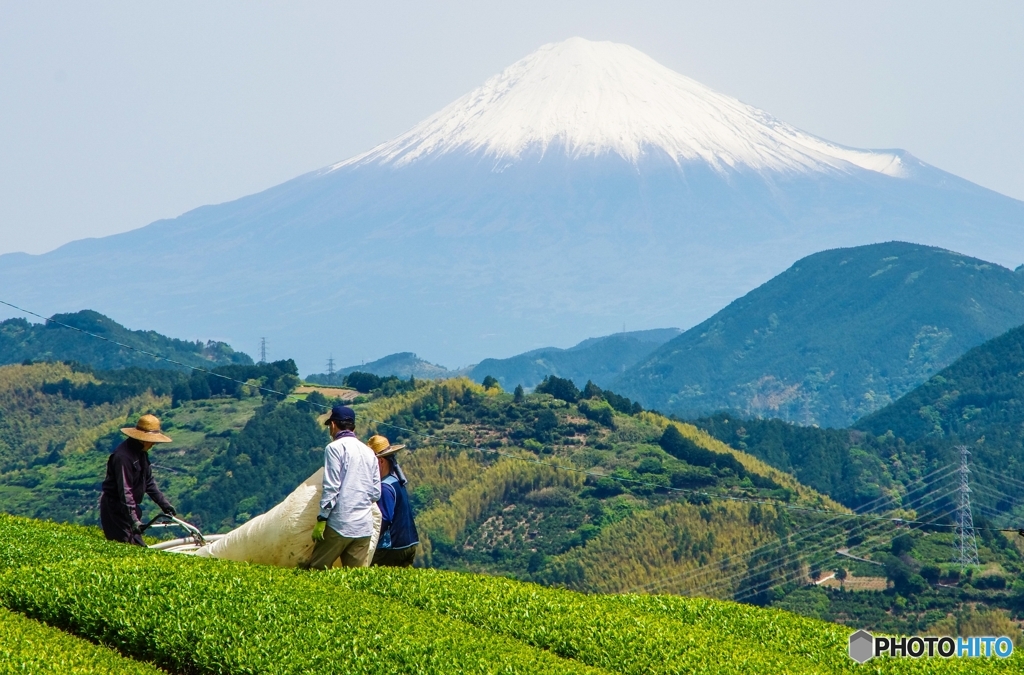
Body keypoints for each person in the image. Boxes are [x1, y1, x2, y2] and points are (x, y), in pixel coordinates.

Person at [308, 405, 381, 569]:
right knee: (355, 580)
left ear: (333, 425)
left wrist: (322, 519)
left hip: (340, 524)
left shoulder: (334, 448)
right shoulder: (369, 452)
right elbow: (376, 493)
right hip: (364, 528)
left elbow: (332, 487)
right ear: (353, 426)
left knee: (316, 571)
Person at [99, 414, 176, 545]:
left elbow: (149, 483)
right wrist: (133, 519)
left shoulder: (141, 454)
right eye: (152, 440)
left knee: (138, 548)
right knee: (128, 548)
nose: (153, 444)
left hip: (129, 510)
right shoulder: (123, 457)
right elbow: (125, 490)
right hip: (116, 509)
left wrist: (165, 505)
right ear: (142, 439)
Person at [367, 435, 420, 567]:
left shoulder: (385, 487)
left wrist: (370, 542)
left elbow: (384, 518)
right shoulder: (396, 481)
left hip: (392, 548)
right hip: (409, 543)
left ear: (381, 462)